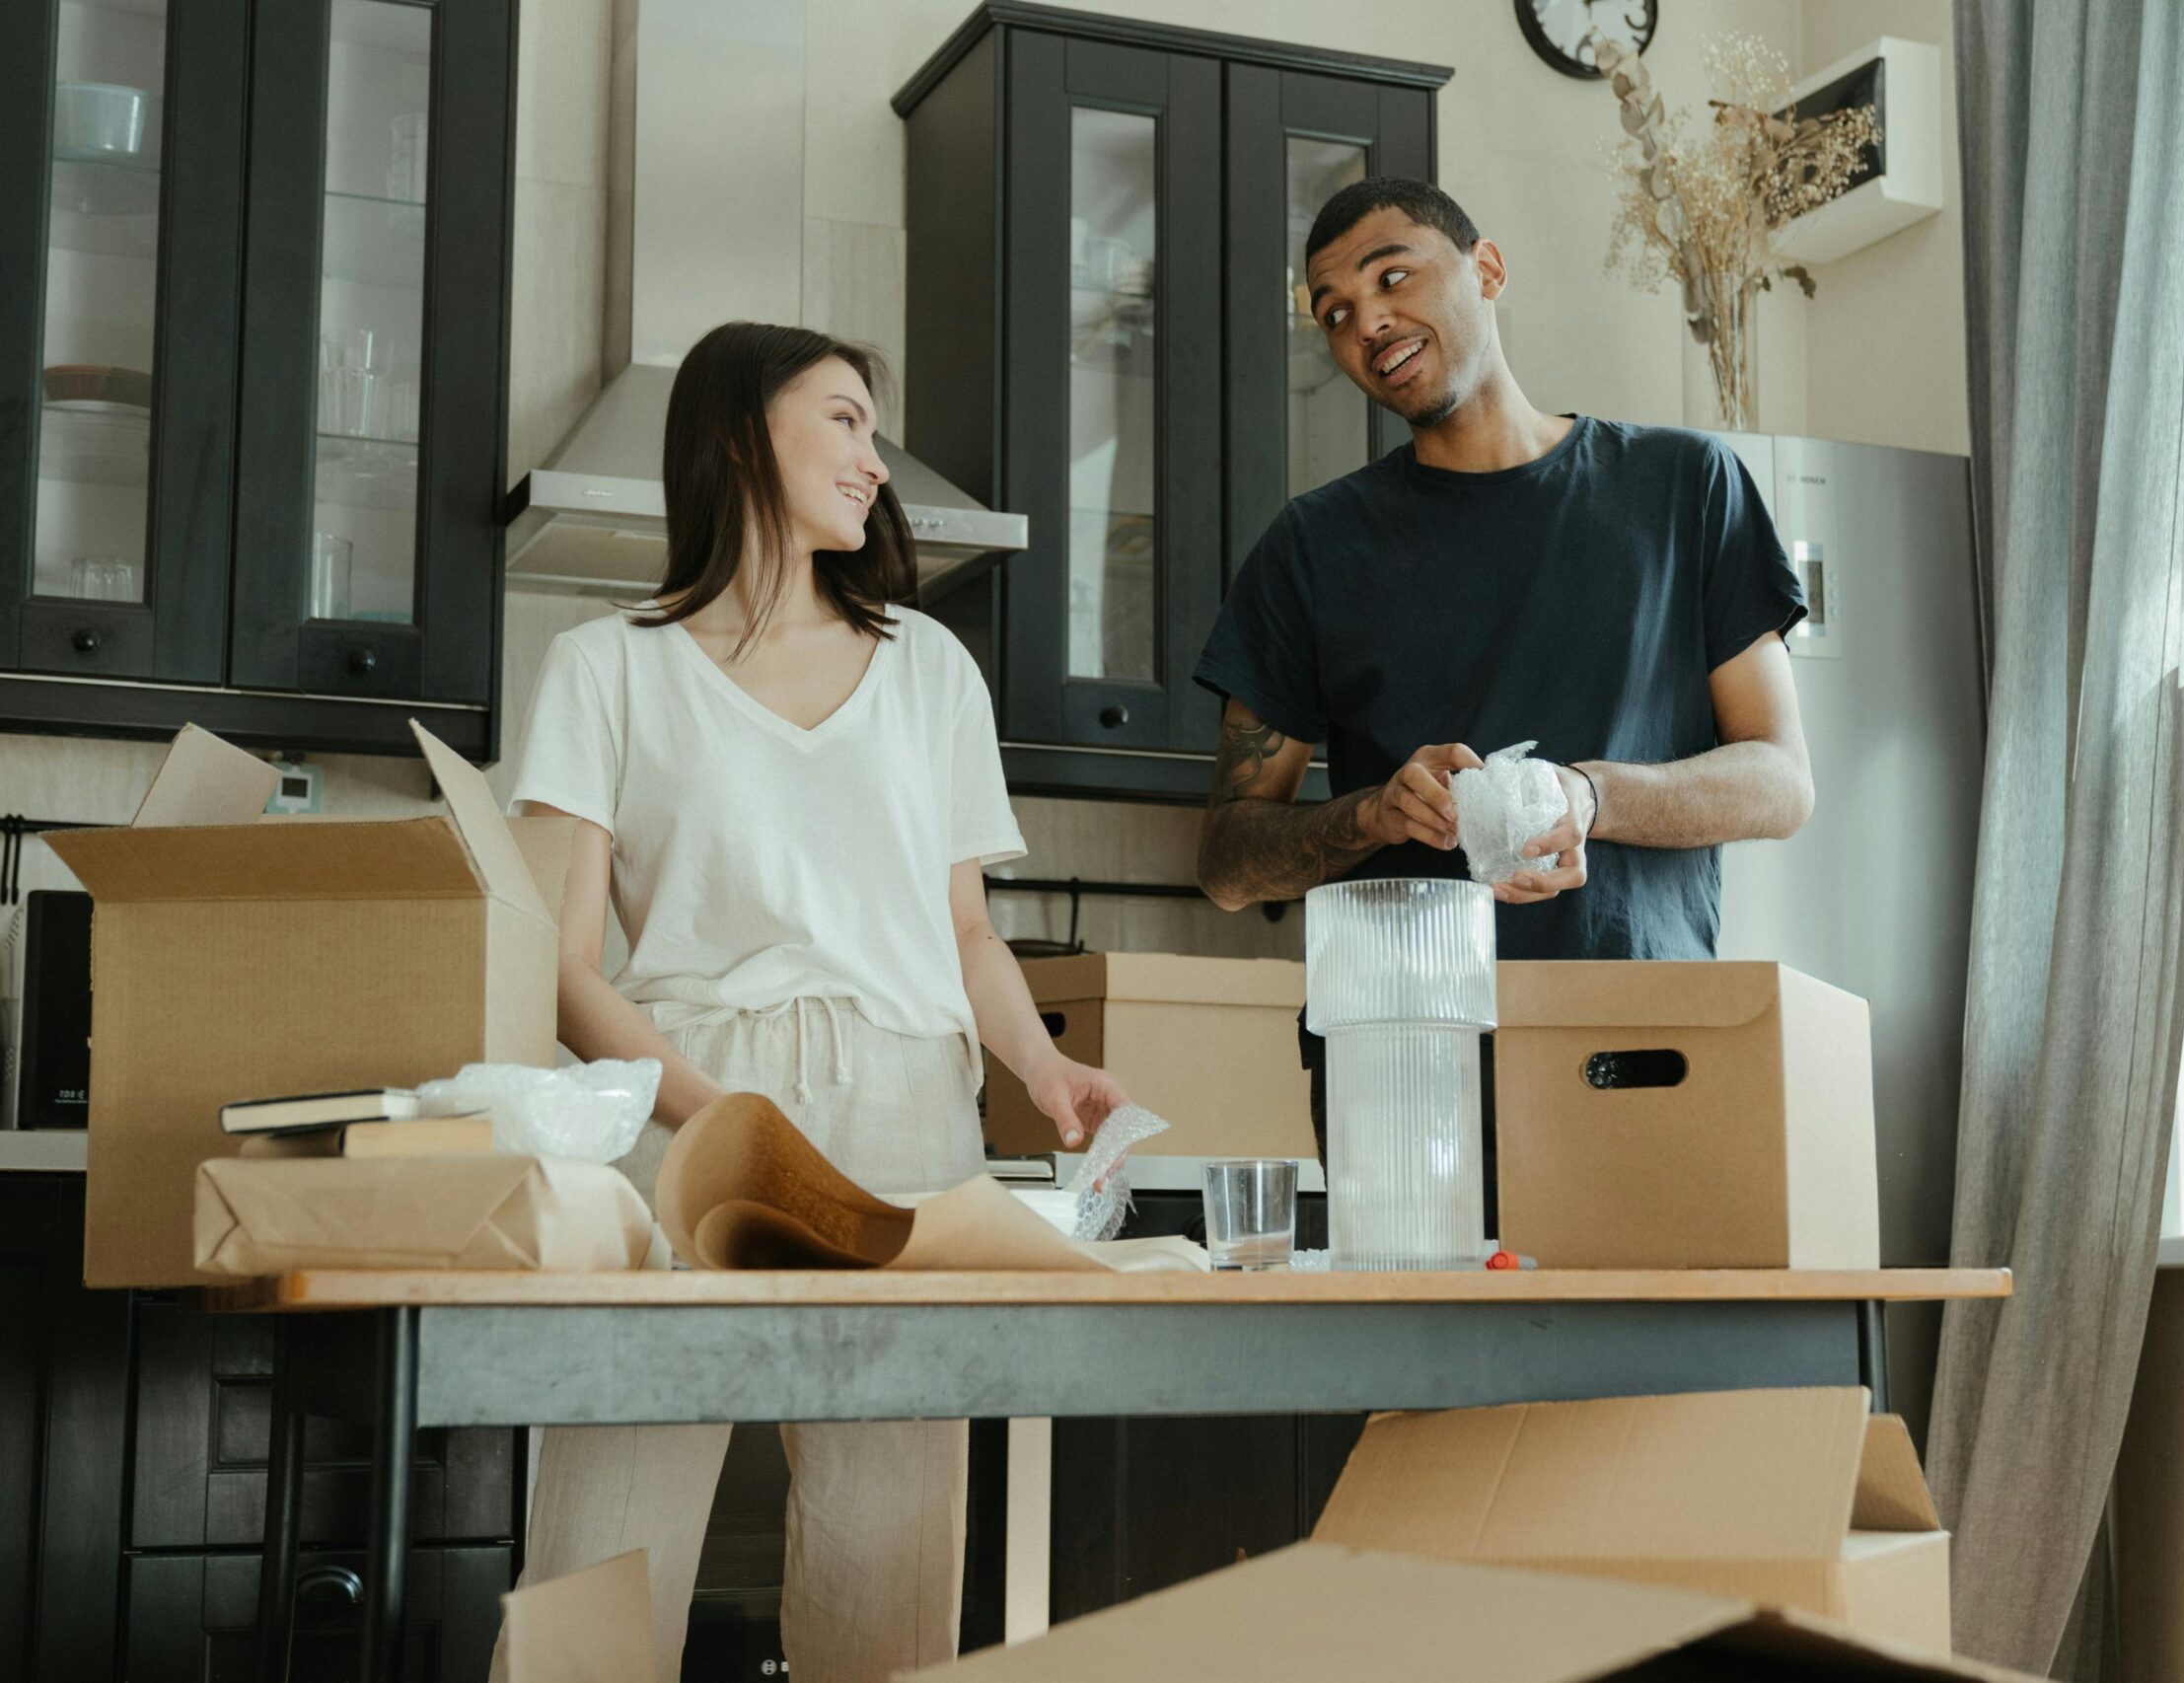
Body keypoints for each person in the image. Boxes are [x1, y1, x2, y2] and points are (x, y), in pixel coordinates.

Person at [489, 323, 1127, 1682]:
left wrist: (1041, 1064)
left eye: (871, 428)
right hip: (683, 1102)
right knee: (604, 1551)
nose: (872, 458)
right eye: (841, 419)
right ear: (738, 436)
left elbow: (966, 930)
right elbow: (557, 961)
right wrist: (718, 1115)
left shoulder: (931, 670)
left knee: (887, 1571)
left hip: (906, 1117)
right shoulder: (604, 667)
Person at [1194, 178, 1815, 957]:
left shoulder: (1684, 487)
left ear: (1486, 269)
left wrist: (1591, 796)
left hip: (1641, 1037)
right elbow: (1226, 864)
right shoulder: (1311, 546)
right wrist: (1371, 815)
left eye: (1392, 277)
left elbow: (1782, 783)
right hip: (1409, 1041)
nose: (1370, 322)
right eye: (1335, 313)